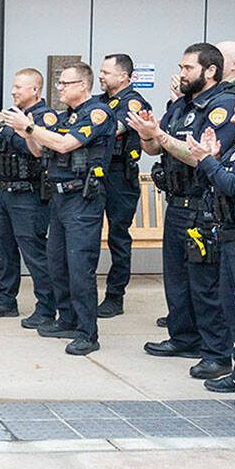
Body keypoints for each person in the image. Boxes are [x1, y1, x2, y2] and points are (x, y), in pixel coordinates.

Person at [128, 43, 235, 379]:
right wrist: (147, 134)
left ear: (210, 71)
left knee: (204, 284)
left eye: (188, 67)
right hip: (176, 204)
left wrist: (158, 135)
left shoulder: (222, 106)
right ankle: (184, 338)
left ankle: (217, 354)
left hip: (203, 206)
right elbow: (154, 147)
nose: (181, 73)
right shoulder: (180, 106)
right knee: (176, 280)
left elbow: (200, 156)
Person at [2, 62, 114, 355]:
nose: (59, 88)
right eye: (59, 83)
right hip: (60, 199)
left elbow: (65, 145)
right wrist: (28, 132)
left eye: (65, 83)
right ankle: (66, 320)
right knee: (57, 264)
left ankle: (88, 333)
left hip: (83, 200)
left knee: (80, 268)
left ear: (83, 85)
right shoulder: (66, 116)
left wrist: (29, 127)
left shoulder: (97, 113)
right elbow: (40, 150)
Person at [0, 68, 56, 327]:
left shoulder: (46, 117)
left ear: (35, 90)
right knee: (5, 251)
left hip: (28, 195)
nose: (13, 91)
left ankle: (46, 307)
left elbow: (37, 151)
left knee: (34, 253)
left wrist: (12, 129)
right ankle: (7, 300)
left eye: (19, 87)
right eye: (13, 86)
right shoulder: (10, 116)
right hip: (2, 192)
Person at [189, 92, 235, 407]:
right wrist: (211, 159)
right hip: (232, 239)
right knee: (232, 309)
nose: (233, 118)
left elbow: (233, 185)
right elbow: (216, 182)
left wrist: (208, 160)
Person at [95, 53, 152, 318]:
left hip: (119, 176)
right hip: (97, 174)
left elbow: (111, 128)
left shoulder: (132, 102)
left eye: (106, 72)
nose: (101, 76)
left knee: (118, 237)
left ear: (124, 76)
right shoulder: (101, 100)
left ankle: (115, 296)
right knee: (87, 234)